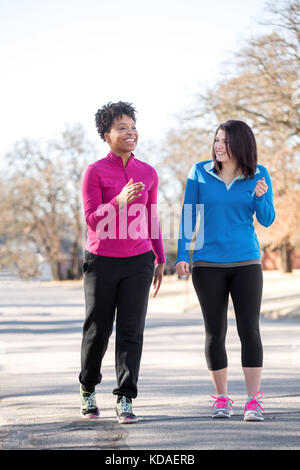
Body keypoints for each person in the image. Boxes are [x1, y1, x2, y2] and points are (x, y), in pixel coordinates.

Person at [175, 120, 275, 421]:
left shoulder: (259, 174)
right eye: (216, 140)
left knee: (249, 330)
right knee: (215, 332)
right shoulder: (199, 172)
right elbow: (187, 215)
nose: (218, 146)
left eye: (225, 141)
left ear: (240, 145)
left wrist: (259, 196)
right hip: (207, 264)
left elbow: (267, 219)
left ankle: (253, 401)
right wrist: (183, 254)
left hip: (246, 261)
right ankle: (221, 398)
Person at [79, 101, 165, 423]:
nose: (130, 133)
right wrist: (118, 200)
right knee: (97, 330)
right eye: (122, 128)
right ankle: (88, 388)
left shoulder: (148, 172)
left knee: (132, 331)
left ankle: (125, 398)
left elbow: (153, 217)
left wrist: (159, 258)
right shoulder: (95, 171)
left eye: (133, 127)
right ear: (106, 135)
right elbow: (91, 220)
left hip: (139, 261)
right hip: (102, 261)